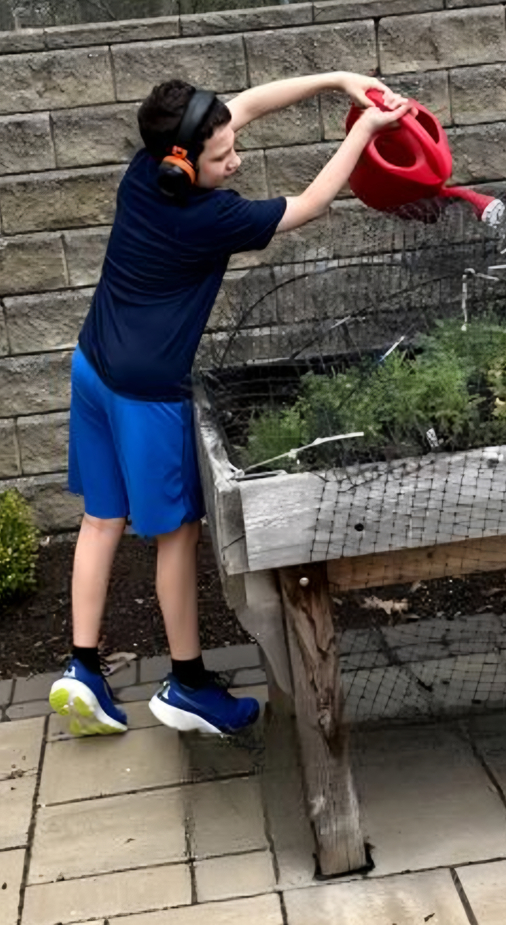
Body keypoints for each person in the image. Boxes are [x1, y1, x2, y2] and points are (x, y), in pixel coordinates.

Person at [48, 72, 411, 738]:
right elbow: (309, 206)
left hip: (90, 366)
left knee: (102, 519)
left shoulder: (147, 169)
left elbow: (242, 106)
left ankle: (82, 669)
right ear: (185, 163)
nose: (235, 160)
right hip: (144, 393)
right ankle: (186, 685)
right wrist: (364, 128)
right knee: (177, 533)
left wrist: (336, 81)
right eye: (223, 157)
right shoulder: (212, 217)